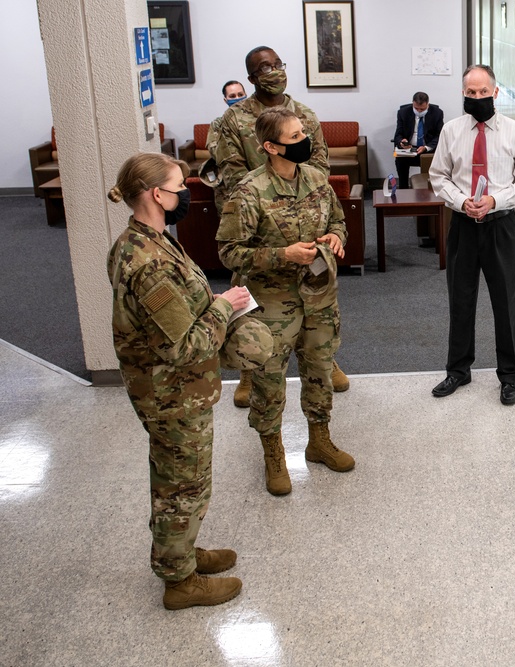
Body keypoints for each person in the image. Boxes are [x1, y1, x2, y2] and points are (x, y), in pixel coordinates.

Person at [107, 152, 273, 609]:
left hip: (176, 390)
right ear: (156, 194)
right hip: (171, 393)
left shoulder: (149, 240)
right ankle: (180, 582)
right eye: (179, 186)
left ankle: (181, 552)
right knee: (182, 483)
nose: (186, 193)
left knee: (180, 479)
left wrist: (213, 303)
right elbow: (182, 347)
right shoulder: (148, 262)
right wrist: (225, 306)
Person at [217, 107, 356, 496]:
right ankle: (274, 455)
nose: (304, 141)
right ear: (270, 146)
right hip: (271, 303)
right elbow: (229, 252)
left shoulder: (315, 179)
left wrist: (336, 237)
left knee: (319, 369)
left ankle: (319, 440)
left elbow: (338, 220)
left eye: (302, 134)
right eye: (294, 137)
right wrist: (282, 255)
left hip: (318, 296)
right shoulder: (248, 191)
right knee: (269, 382)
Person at [215, 46, 350, 405]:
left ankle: (323, 358)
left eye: (278, 65)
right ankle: (250, 368)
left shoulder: (303, 114)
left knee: (316, 305)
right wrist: (268, 196)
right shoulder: (234, 119)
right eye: (265, 67)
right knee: (252, 297)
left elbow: (319, 161)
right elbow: (230, 173)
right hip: (257, 220)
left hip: (307, 210)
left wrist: (304, 192)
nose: (274, 71)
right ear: (251, 77)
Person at [428, 64, 515, 406]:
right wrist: (462, 201)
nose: (476, 97)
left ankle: (510, 375)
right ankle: (458, 370)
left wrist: (493, 200)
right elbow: (438, 177)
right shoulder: (451, 130)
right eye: (469, 93)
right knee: (460, 300)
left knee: (506, 301)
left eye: (481, 92)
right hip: (462, 225)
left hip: (501, 225)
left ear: (495, 92)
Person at [205, 81, 248, 213]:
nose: (237, 98)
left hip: (255, 179)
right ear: (226, 99)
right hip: (229, 185)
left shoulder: (256, 121)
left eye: (240, 94)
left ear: (246, 95)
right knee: (231, 224)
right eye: (232, 96)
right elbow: (214, 149)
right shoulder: (218, 124)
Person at [393, 91, 444, 189]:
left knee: (436, 161)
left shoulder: (437, 113)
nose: (419, 111)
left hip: (428, 149)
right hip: (409, 149)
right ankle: (403, 189)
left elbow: (440, 135)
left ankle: (431, 189)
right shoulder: (403, 113)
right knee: (399, 159)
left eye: (422, 109)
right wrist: (401, 142)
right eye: (416, 108)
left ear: (427, 104)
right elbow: (398, 135)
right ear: (412, 103)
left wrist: (426, 147)